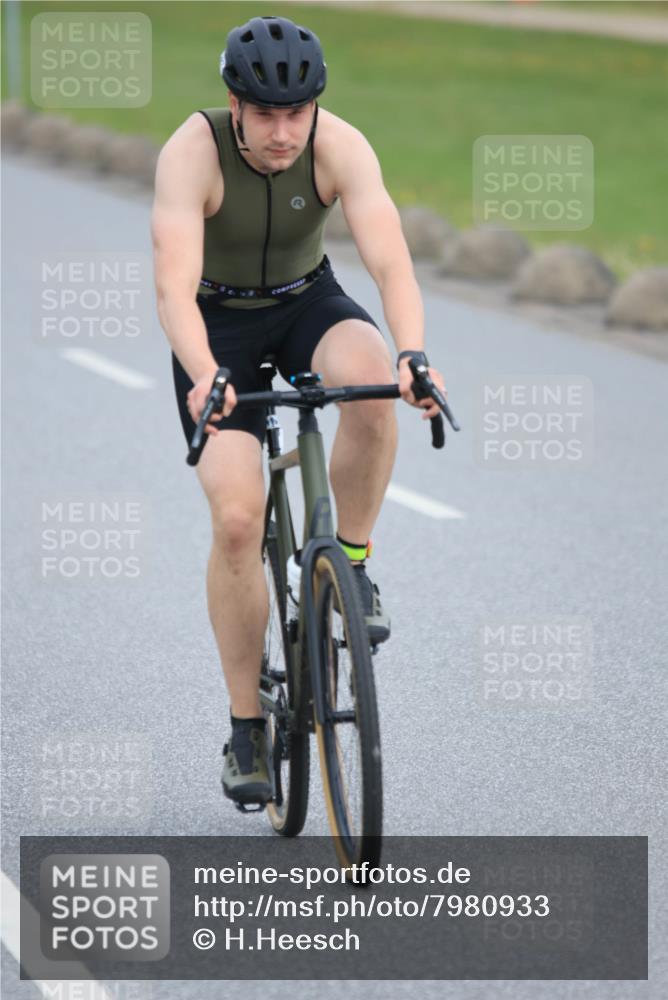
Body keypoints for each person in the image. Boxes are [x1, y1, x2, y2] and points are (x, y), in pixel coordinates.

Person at [151, 15, 446, 807]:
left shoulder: (339, 144)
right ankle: (247, 727)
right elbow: (173, 284)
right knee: (240, 519)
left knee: (373, 386)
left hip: (304, 301)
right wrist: (206, 373)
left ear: (316, 106)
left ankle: (349, 565)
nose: (283, 134)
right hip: (216, 325)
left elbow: (390, 259)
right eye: (265, 114)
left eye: (297, 113)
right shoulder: (192, 153)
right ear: (234, 104)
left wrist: (414, 353)